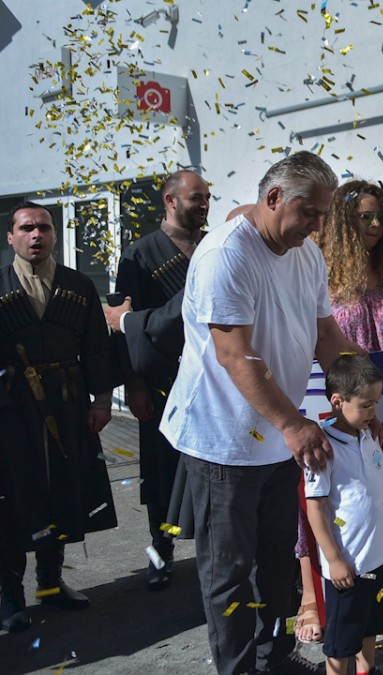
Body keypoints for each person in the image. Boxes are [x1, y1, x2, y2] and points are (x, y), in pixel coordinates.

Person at [159, 151, 371, 675]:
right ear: (274, 197)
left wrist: (363, 392)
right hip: (223, 440)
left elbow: (326, 334)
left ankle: (272, 657)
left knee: (275, 558)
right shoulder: (226, 254)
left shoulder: (307, 254)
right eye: (309, 213)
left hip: (277, 436)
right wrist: (294, 424)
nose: (317, 226)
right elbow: (235, 353)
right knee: (229, 571)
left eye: (323, 215)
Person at [303, 180, 383, 642]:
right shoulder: (318, 273)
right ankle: (313, 597)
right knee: (328, 498)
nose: (376, 225)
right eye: (365, 217)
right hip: (334, 405)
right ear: (342, 221)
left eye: (382, 217)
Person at [0, 202, 120, 632]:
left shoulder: (78, 285)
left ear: (54, 234)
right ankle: (9, 594)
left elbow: (97, 348)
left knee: (63, 488)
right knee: (13, 495)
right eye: (26, 228)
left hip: (68, 403)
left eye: (44, 227)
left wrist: (102, 400)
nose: (36, 235)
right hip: (12, 409)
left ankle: (50, 582)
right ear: (11, 237)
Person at [104, 169, 210, 591]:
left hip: (210, 381)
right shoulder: (140, 253)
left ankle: (211, 549)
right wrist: (134, 385)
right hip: (162, 382)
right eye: (196, 197)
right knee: (161, 470)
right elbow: (122, 325)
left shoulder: (211, 246)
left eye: (207, 197)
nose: (204, 205)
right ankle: (160, 551)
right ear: (170, 200)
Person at [304, 355, 383, 675]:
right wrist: (334, 559)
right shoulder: (322, 449)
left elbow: (377, 494)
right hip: (349, 566)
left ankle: (367, 670)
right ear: (338, 401)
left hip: (379, 557)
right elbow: (314, 508)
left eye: (376, 404)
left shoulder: (368, 435)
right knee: (341, 643)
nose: (373, 412)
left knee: (371, 626)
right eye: (366, 405)